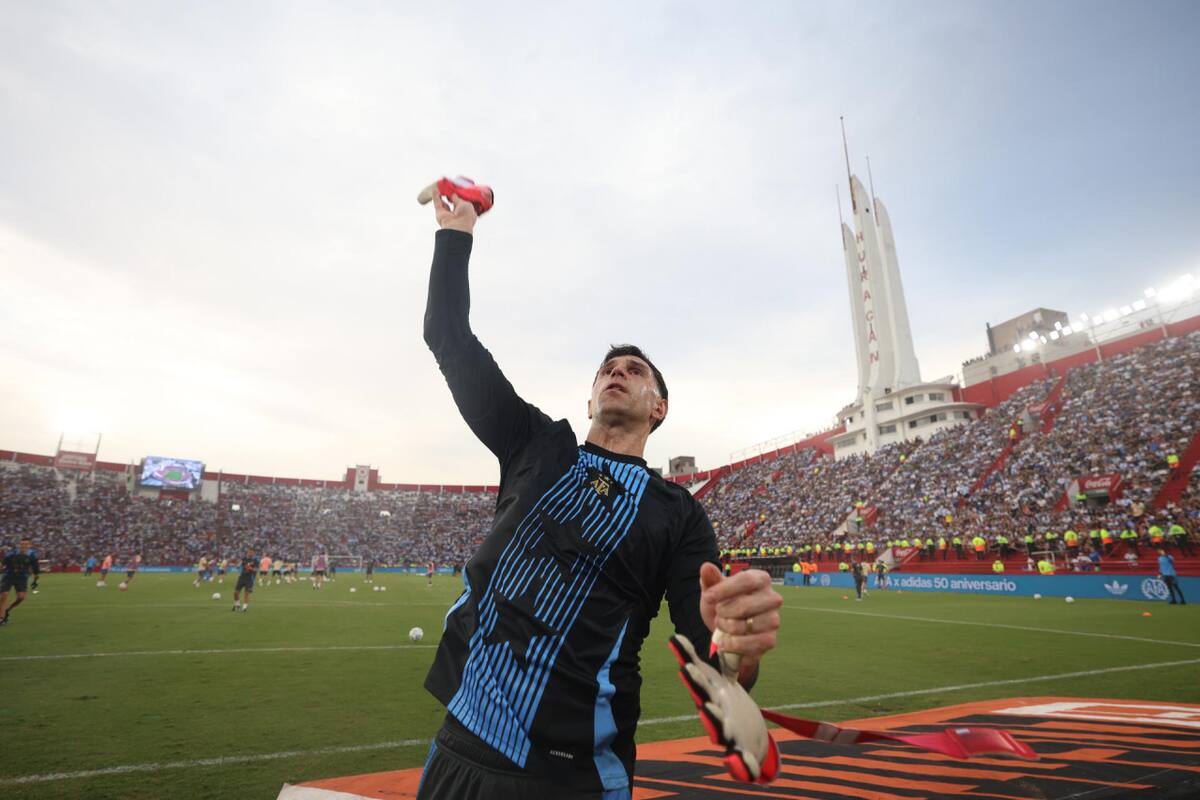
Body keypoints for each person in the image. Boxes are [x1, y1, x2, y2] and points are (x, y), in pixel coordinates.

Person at [415, 193, 782, 799]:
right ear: (589, 400)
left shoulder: (680, 513)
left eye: (636, 370)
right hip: (460, 746)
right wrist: (456, 233)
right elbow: (447, 336)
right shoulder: (533, 444)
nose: (619, 372)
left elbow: (713, 660)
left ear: (657, 408)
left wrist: (737, 649)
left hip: (576, 774)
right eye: (609, 368)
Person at [1, 538, 40, 625]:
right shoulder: (13, 553)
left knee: (21, 597)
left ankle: (7, 610)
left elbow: (36, 568)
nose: (24, 546)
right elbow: (3, 562)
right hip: (9, 575)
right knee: (4, 595)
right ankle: (1, 618)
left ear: (29, 545)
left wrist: (35, 580)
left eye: (26, 544)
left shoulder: (32, 555)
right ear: (19, 545)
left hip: (22, 577)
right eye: (22, 544)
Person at [232, 547, 257, 612]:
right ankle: (237, 603)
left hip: (249, 578)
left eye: (251, 552)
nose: (250, 553)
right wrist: (237, 565)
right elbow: (239, 565)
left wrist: (249, 568)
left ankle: (244, 607)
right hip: (242, 577)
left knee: (246, 593)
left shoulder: (255, 560)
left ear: (254, 553)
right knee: (236, 592)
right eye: (249, 552)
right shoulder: (244, 559)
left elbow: (255, 570)